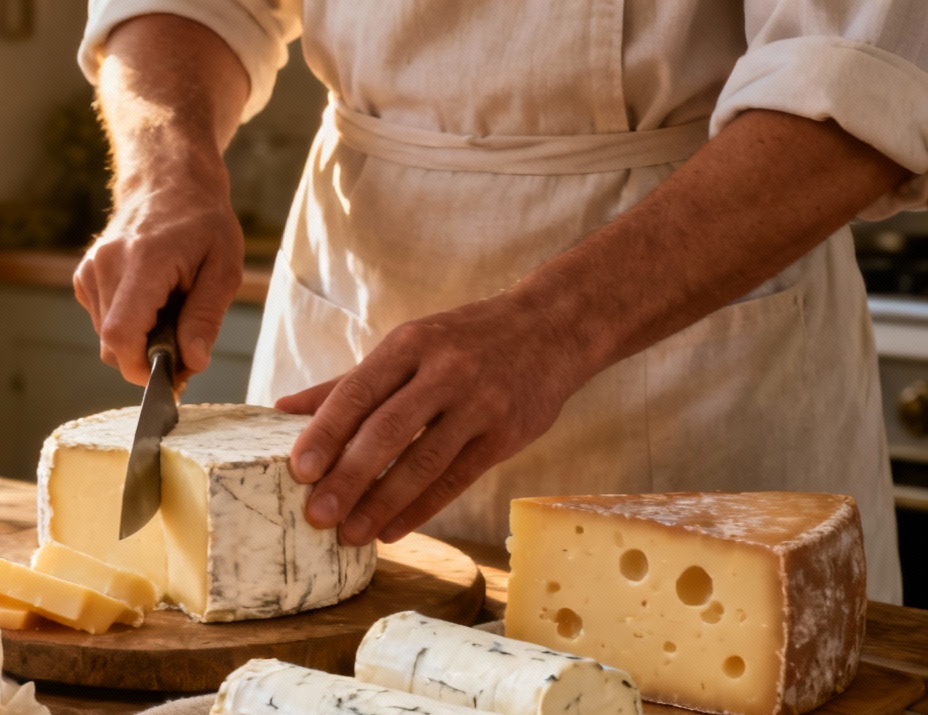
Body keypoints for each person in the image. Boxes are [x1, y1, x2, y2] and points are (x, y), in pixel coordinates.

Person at [75, 2, 927, 601]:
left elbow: (863, 81)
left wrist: (551, 327)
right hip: (354, 290)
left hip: (695, 362)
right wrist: (165, 167)